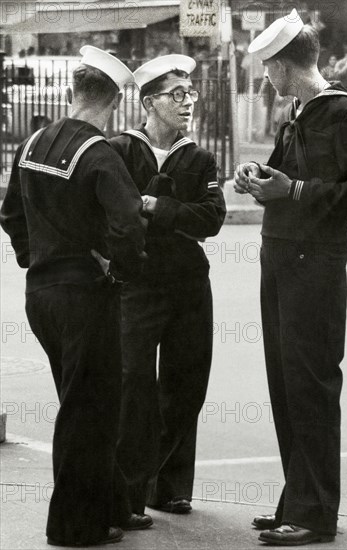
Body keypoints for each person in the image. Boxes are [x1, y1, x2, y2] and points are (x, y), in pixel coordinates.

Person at [0, 46, 149, 547]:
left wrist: (33, 257)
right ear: (115, 101)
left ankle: (113, 505)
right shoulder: (100, 154)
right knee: (89, 411)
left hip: (41, 293)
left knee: (86, 399)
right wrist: (121, 270)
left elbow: (9, 214)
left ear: (73, 92)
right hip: (85, 296)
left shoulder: (32, 142)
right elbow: (128, 224)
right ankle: (75, 526)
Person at [234, 9, 347, 547]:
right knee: (287, 385)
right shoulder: (300, 113)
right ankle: (297, 501)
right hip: (282, 258)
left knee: (309, 384)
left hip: (314, 264)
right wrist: (258, 177)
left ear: (286, 68)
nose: (267, 80)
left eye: (269, 69)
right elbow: (293, 176)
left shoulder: (343, 115)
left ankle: (315, 515)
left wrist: (292, 192)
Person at [107, 54, 226, 517]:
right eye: (177, 94)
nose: (188, 102)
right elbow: (117, 216)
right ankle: (130, 494)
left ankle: (171, 485)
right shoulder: (119, 150)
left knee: (186, 385)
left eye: (191, 93)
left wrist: (158, 207)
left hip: (189, 286)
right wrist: (179, 214)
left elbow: (211, 220)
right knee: (134, 385)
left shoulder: (199, 156)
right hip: (135, 284)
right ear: (149, 101)